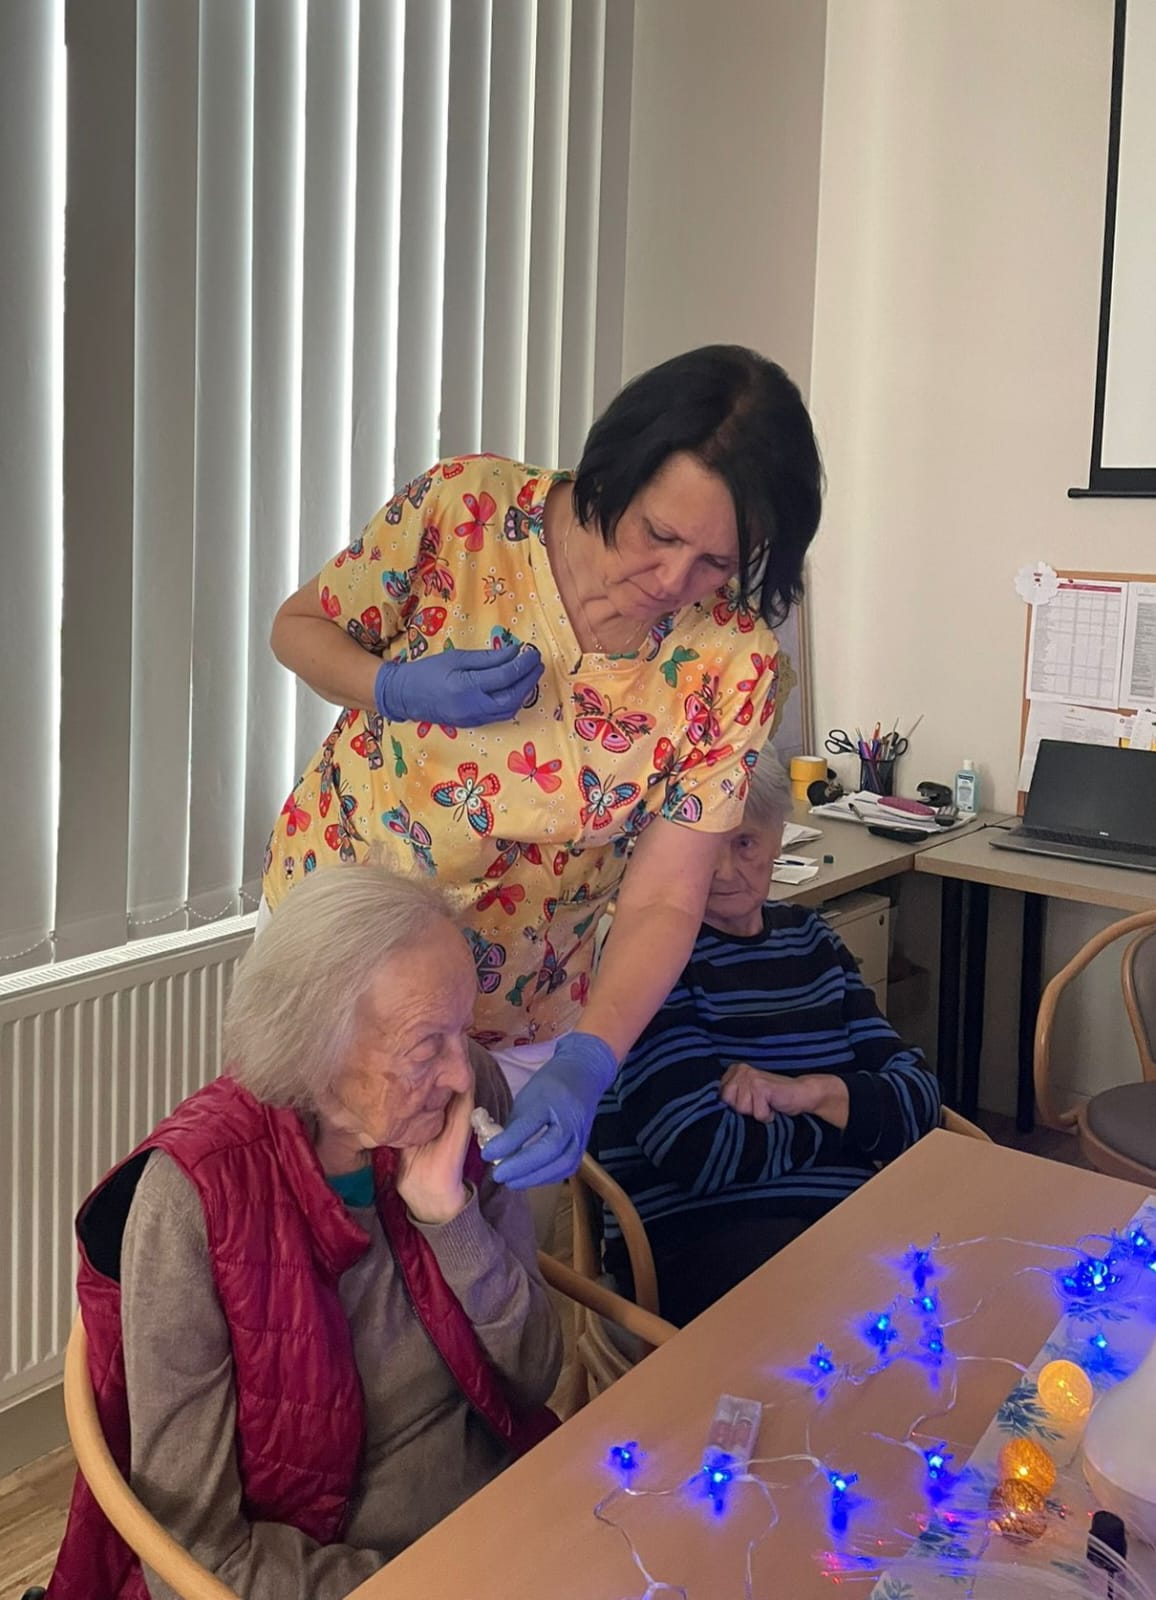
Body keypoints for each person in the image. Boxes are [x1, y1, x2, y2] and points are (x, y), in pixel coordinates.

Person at [263, 345, 824, 1190]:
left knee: (468, 1242)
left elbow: (667, 896)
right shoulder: (467, 514)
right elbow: (298, 628)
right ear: (614, 471)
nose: (675, 580)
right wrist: (392, 686)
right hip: (339, 960)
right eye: (659, 534)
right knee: (296, 1219)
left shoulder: (732, 660)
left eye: (717, 561)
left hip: (523, 1003)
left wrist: (589, 1059)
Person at [46, 868, 562, 1600]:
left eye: (462, 1030)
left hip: (519, 1510)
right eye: (425, 1048)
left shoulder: (464, 1092)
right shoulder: (194, 1197)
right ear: (317, 1050)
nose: (460, 1074)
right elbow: (190, 1553)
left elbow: (534, 1379)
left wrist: (453, 1224)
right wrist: (424, 1584)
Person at [592, 746, 942, 1326]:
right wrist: (852, 1120)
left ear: (780, 836)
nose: (724, 871)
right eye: (703, 846)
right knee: (858, 1323)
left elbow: (920, 1101)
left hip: (841, 1226)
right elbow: (700, 1152)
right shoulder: (649, 959)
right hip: (701, 1242)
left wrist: (807, 1093)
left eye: (746, 843)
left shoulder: (813, 940)